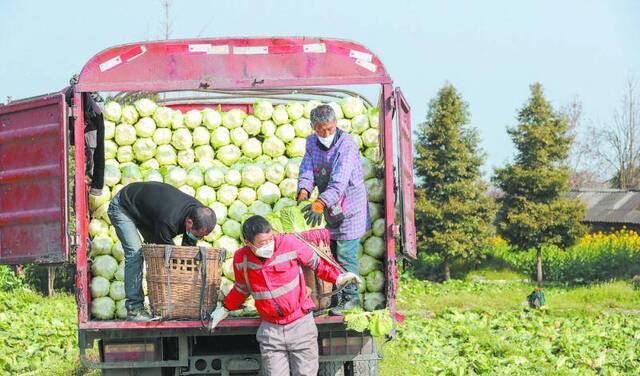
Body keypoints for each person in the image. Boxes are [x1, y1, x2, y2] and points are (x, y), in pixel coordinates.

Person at [207, 215, 362, 376]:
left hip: (300, 324)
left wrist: (339, 277)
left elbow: (318, 263)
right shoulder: (241, 258)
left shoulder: (289, 243)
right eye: (262, 243)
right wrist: (224, 309)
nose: (268, 245)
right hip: (271, 330)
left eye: (270, 239)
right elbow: (241, 288)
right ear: (247, 243)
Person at [296, 104, 370, 314]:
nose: (326, 133)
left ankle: (351, 299)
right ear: (313, 127)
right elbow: (308, 168)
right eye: (321, 130)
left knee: (346, 254)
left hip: (349, 209)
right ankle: (338, 298)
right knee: (333, 256)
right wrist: (304, 188)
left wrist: (321, 202)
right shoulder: (311, 142)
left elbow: (339, 182)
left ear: (335, 124)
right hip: (329, 209)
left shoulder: (347, 145)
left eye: (330, 129)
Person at [108, 181, 217, 321]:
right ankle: (134, 309)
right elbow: (170, 257)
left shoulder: (199, 211)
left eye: (203, 236)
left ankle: (174, 303)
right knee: (135, 254)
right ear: (189, 223)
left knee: (161, 255)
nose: (199, 238)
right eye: (198, 235)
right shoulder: (168, 220)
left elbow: (187, 250)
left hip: (148, 213)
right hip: (123, 206)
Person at [64, 74, 105, 196]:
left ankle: (90, 191)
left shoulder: (94, 101)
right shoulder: (74, 94)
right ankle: (90, 190)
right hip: (85, 134)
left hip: (89, 133)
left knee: (89, 165)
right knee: (87, 165)